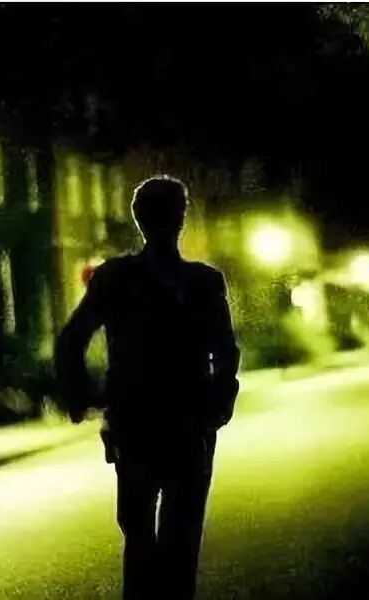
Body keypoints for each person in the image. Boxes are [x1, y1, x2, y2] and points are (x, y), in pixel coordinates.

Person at [56, 176, 239, 600]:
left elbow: (72, 339)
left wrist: (79, 397)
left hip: (135, 420)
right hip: (187, 421)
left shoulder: (114, 278)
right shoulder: (203, 282)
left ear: (138, 219)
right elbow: (225, 350)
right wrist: (219, 401)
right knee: (181, 535)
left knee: (139, 534)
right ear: (181, 219)